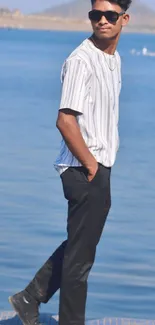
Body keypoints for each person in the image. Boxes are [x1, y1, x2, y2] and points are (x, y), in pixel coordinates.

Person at [9, 1, 131, 325]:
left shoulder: (114, 59)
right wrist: (91, 165)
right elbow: (65, 121)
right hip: (83, 168)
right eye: (96, 14)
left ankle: (29, 297)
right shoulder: (81, 61)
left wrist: (100, 165)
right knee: (80, 264)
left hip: (99, 165)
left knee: (81, 246)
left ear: (125, 19)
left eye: (110, 15)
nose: (102, 20)